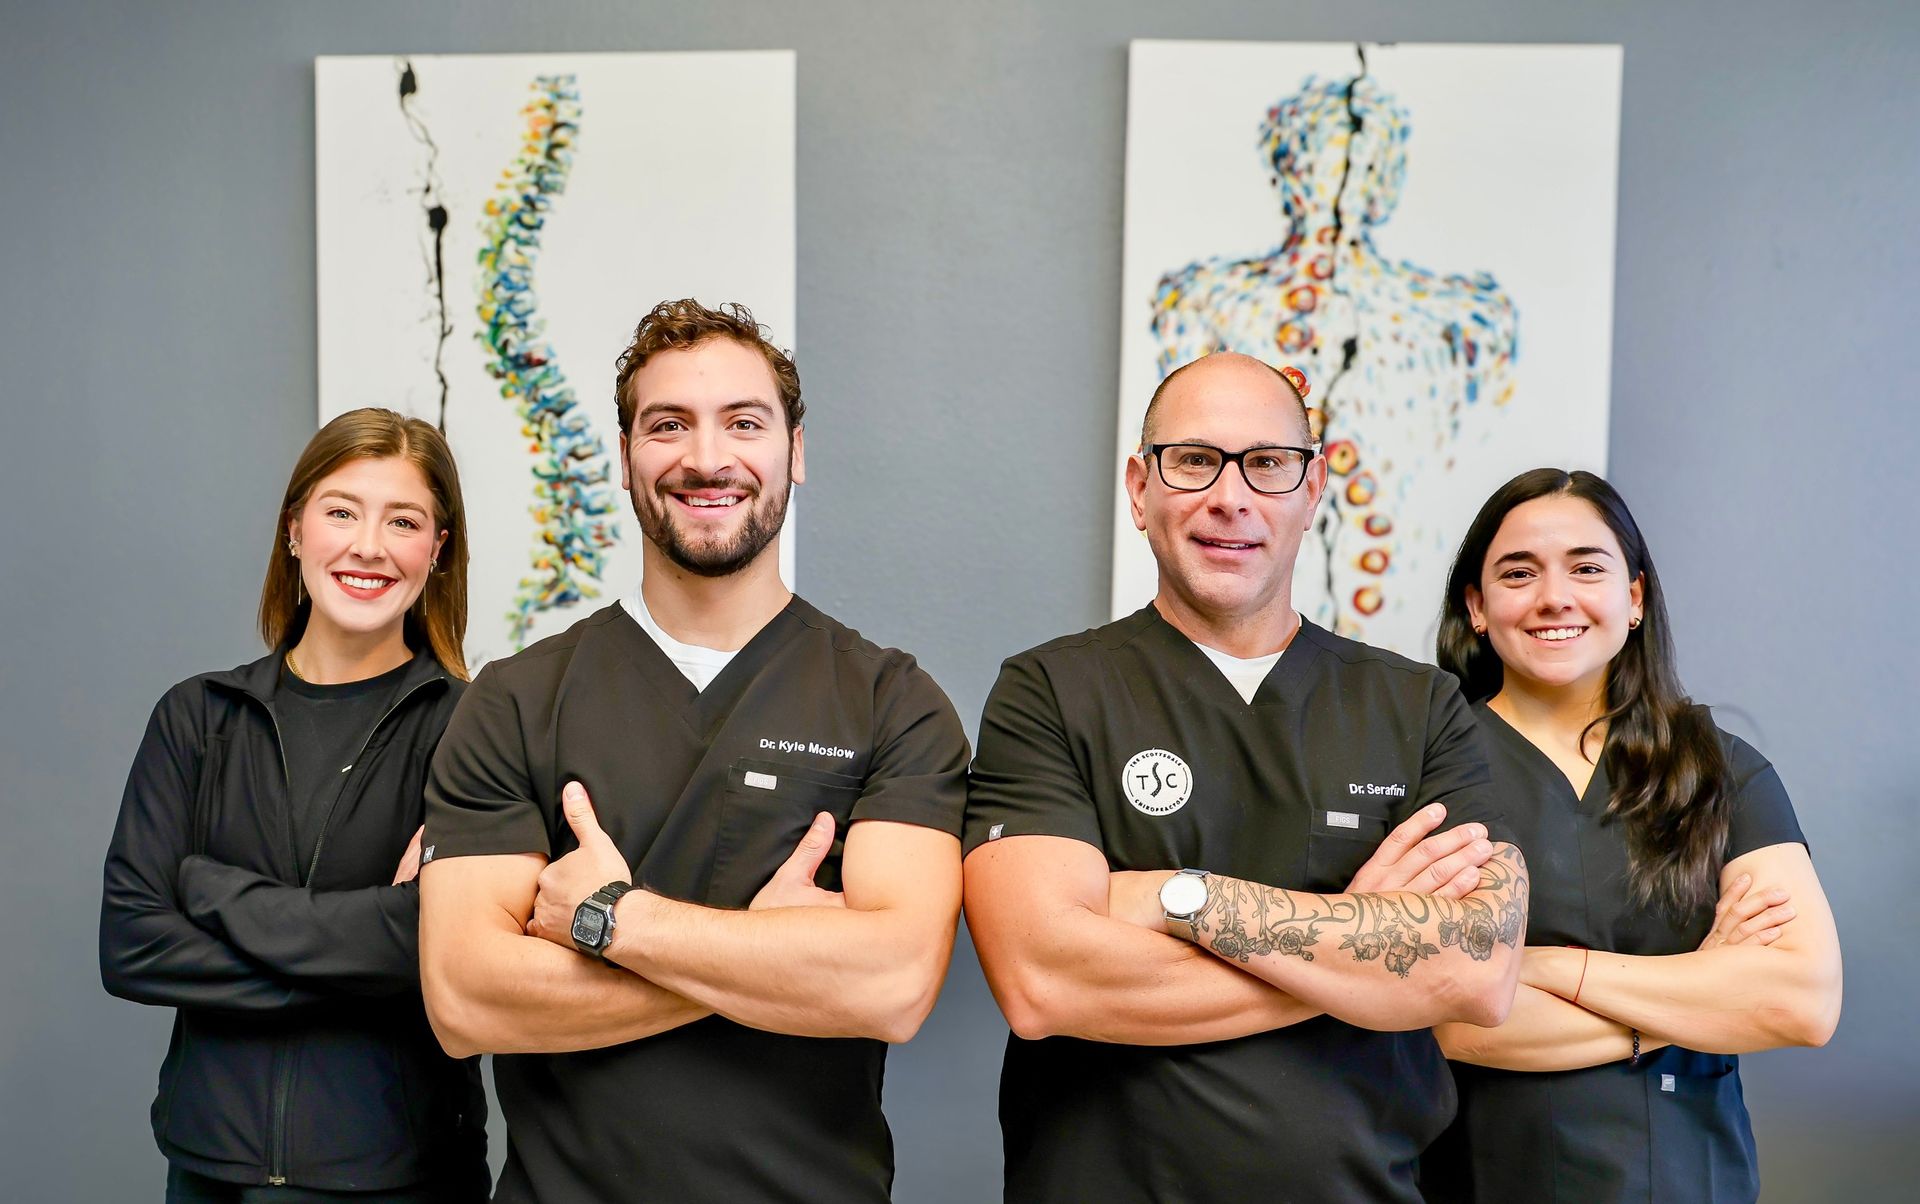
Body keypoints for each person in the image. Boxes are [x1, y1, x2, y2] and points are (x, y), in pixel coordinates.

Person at [417, 299, 971, 1203]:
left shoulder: (892, 701)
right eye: (667, 425)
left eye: (743, 423)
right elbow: (465, 999)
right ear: (626, 458)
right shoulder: (515, 699)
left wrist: (611, 922)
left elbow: (895, 985)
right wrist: (780, 959)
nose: (706, 459)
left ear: (796, 450)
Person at [963, 350, 1530, 1203]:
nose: (1231, 497)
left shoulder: (1419, 707)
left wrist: (1176, 900)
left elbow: (1477, 971)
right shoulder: (1049, 691)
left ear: (1312, 491)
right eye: (1194, 461)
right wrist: (1362, 936)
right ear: (1140, 489)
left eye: (1268, 464)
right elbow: (1044, 981)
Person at [1420, 468, 1842, 1203]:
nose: (1556, 596)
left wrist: (1544, 970)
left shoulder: (1718, 768)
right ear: (1477, 606)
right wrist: (1696, 997)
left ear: (1635, 597)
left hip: (1688, 1180)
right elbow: (1459, 1025)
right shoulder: (1432, 774)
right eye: (1519, 573)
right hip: (1487, 1177)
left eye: (1587, 568)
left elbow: (1801, 1001)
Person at [100, 409, 487, 1202]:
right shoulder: (198, 717)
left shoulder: (471, 730)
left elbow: (444, 946)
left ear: (437, 550)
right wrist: (364, 956)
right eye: (341, 511)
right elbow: (132, 944)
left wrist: (212, 892)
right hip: (209, 1173)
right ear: (295, 530)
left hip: (400, 1179)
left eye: (404, 520)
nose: (368, 546)